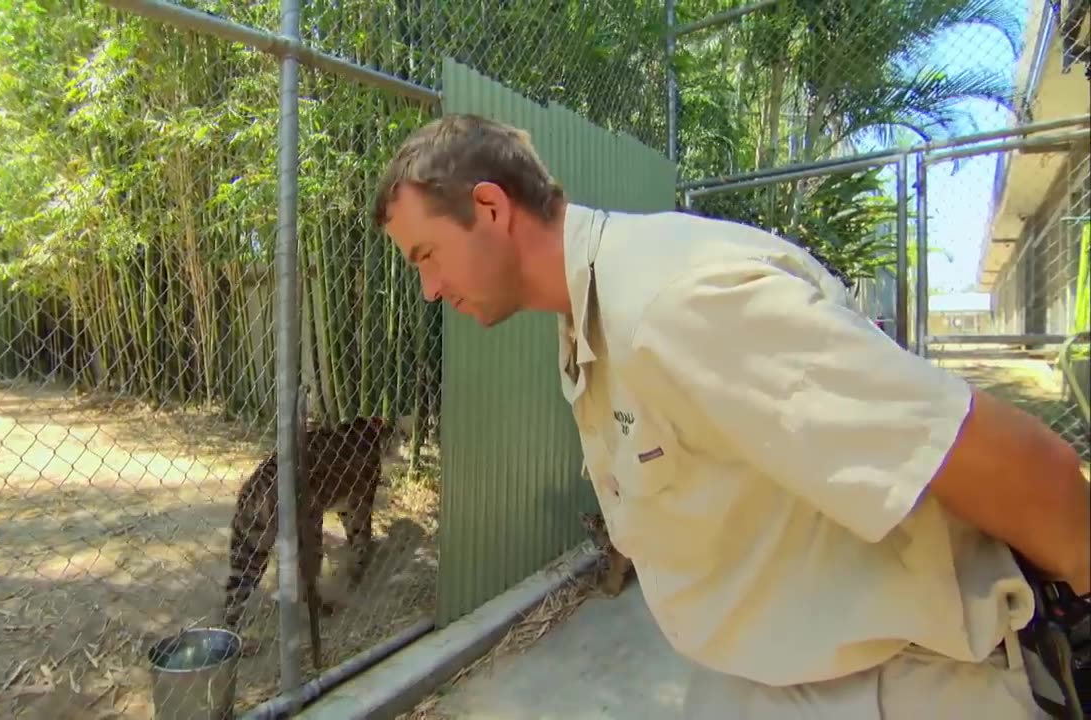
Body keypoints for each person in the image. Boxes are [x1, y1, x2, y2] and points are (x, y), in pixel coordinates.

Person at [371, 113, 1091, 718]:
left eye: (427, 254)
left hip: (889, 685)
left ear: (491, 209)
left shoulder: (678, 305)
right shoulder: (594, 314)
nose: (430, 288)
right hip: (771, 673)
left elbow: (994, 458)